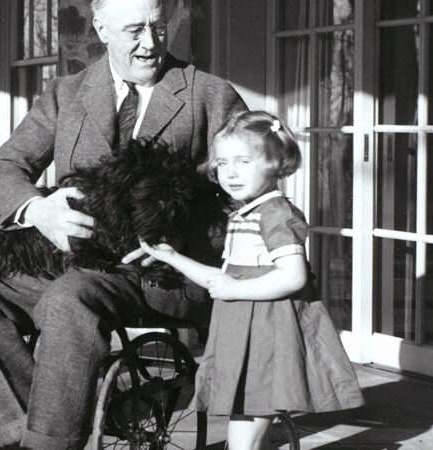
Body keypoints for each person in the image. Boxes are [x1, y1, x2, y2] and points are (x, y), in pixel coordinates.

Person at [0, 0, 247, 448]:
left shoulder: (208, 95)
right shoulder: (66, 93)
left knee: (68, 299)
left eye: (158, 27)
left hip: (160, 274)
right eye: (134, 30)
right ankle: (36, 432)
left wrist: (172, 241)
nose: (150, 44)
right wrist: (39, 211)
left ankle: (49, 440)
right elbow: (0, 170)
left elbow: (245, 200)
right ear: (101, 29)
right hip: (73, 261)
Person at [137, 111, 365, 450]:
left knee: (245, 432)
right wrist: (171, 256)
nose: (231, 172)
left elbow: (293, 275)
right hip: (240, 329)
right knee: (242, 427)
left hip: (267, 333)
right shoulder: (246, 212)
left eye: (243, 161)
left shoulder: (276, 214)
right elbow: (220, 280)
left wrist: (237, 289)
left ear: (278, 162)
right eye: (223, 163)